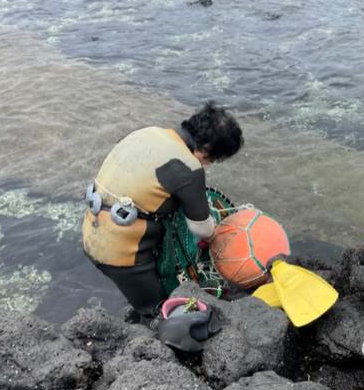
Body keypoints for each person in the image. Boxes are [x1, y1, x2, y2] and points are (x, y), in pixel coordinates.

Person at [82, 102, 243, 320]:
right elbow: (202, 229)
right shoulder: (188, 167)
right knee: (159, 313)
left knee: (142, 298)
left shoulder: (146, 133)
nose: (207, 165)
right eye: (211, 159)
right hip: (121, 258)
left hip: (92, 235)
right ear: (205, 150)